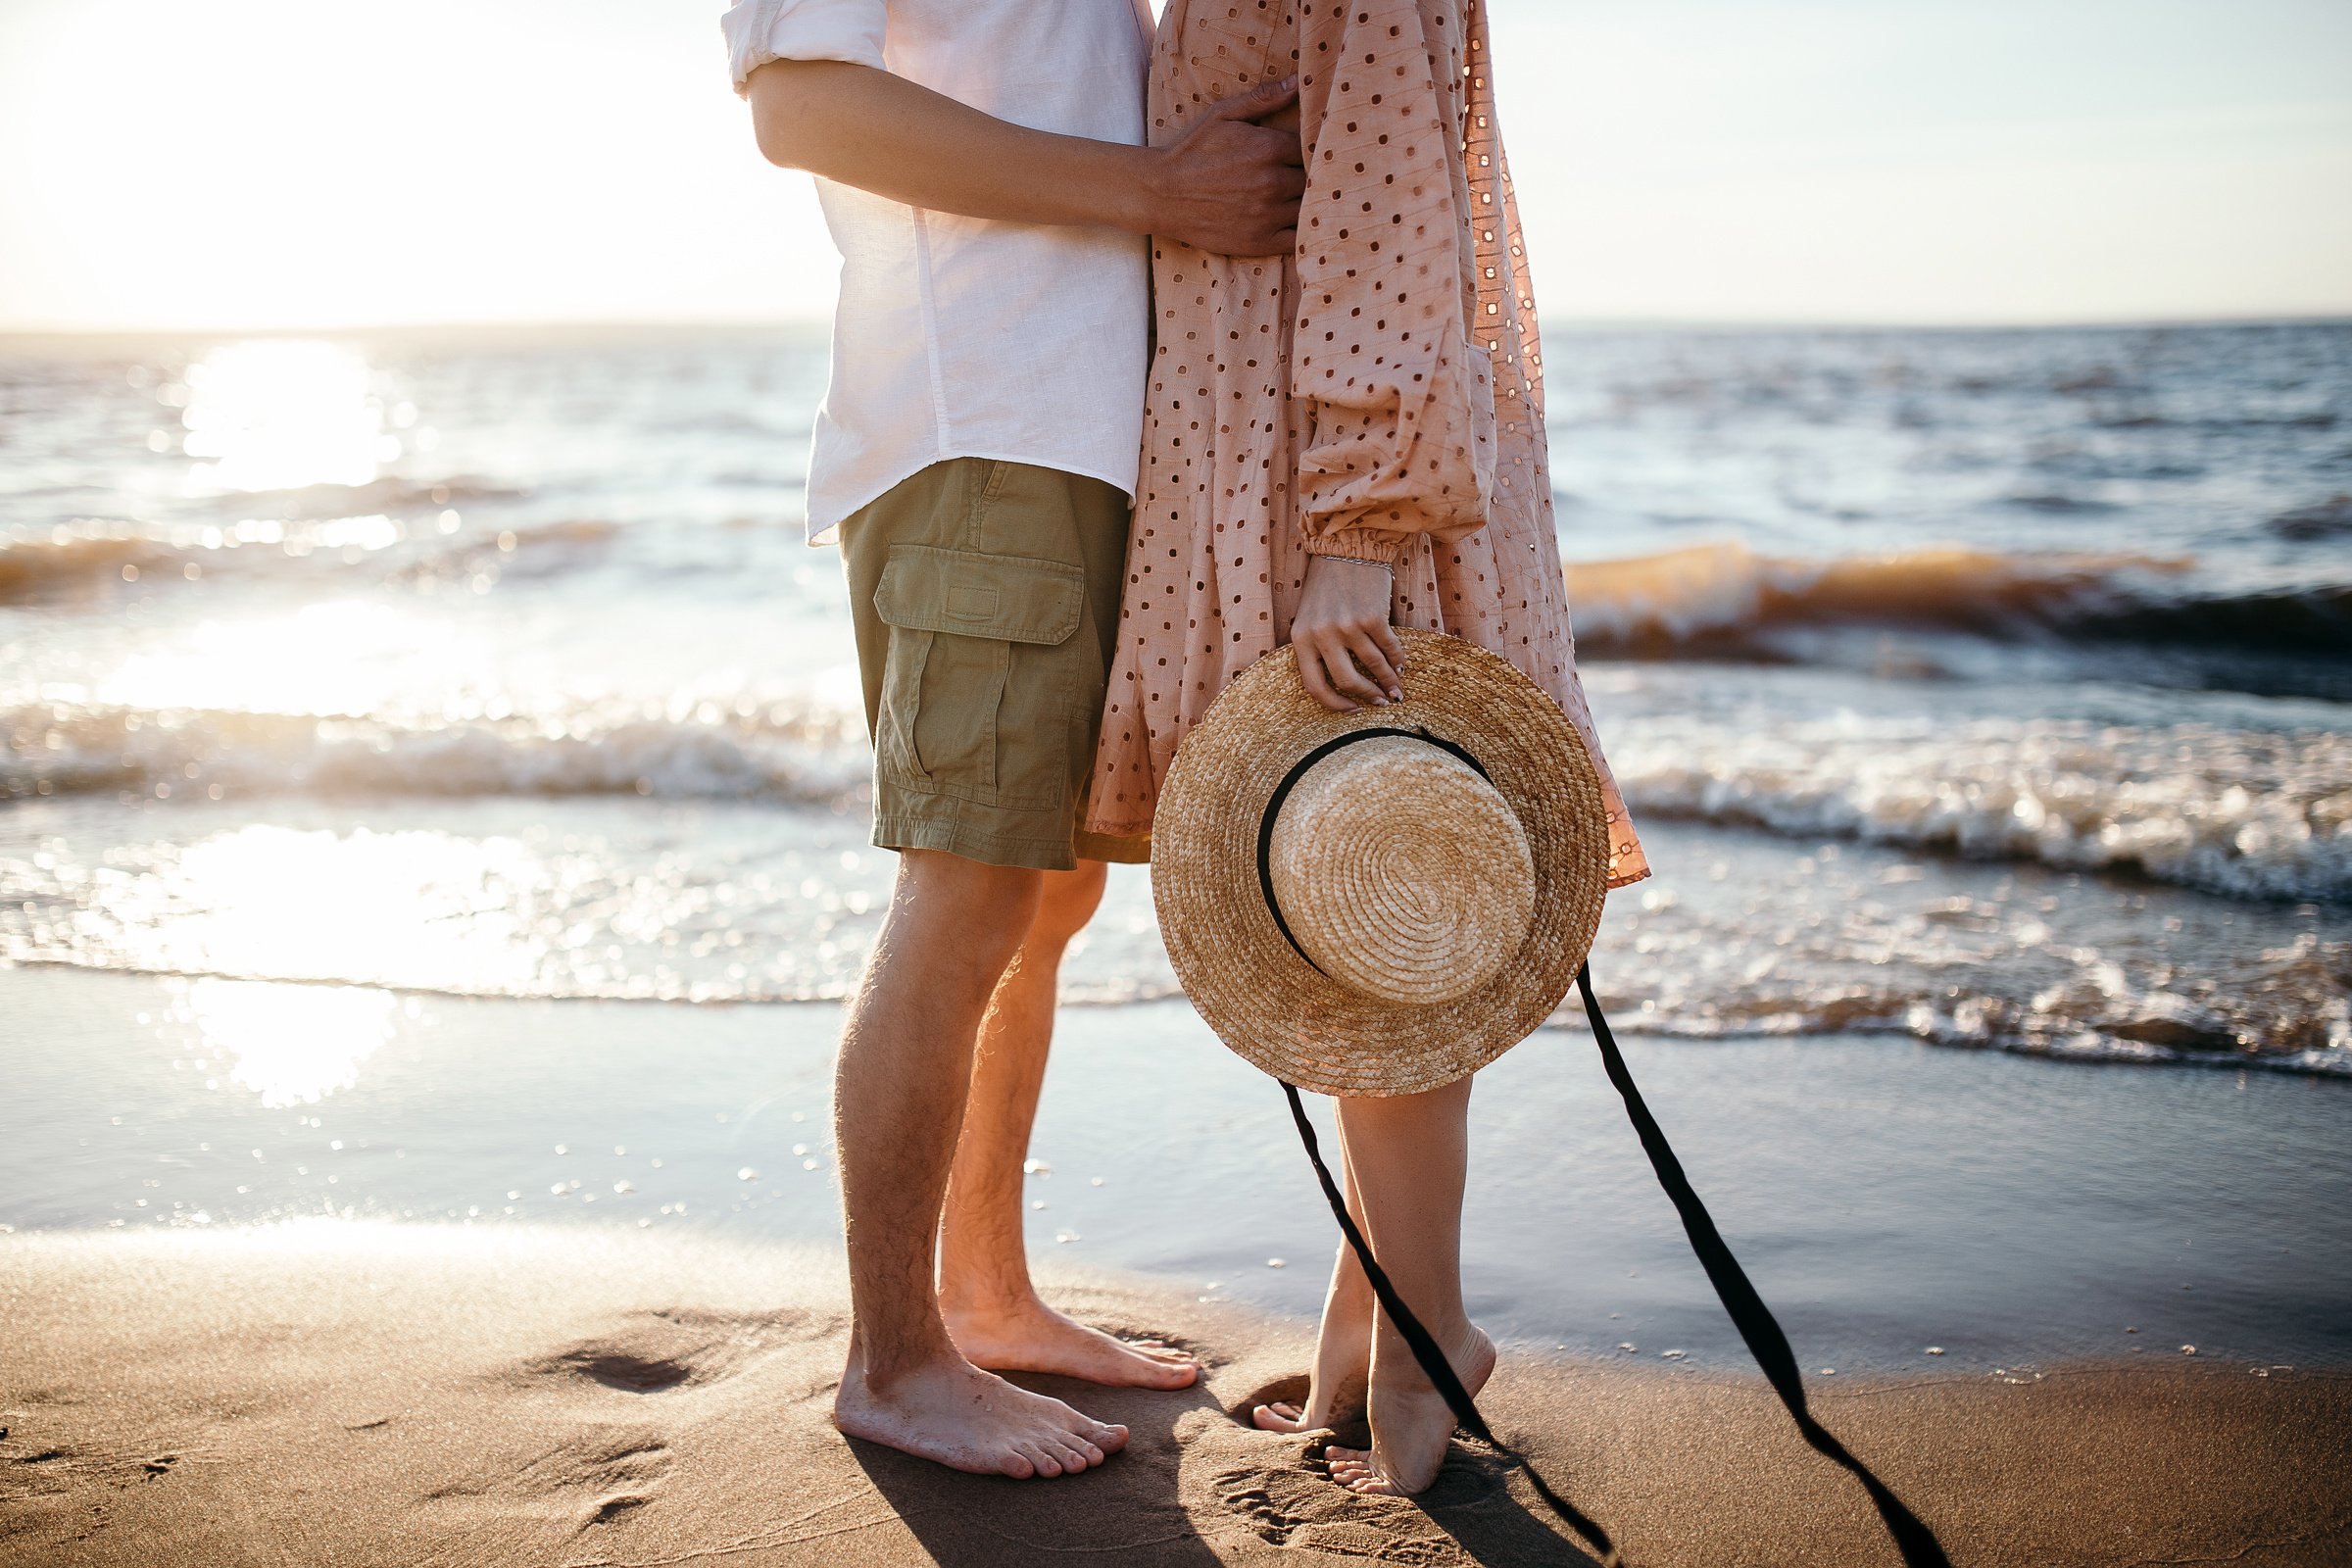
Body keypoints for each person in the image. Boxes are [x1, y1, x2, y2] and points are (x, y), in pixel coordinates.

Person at [721, 0, 1305, 1480]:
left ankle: (983, 1295)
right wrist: (1158, 189)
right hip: (985, 431)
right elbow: (800, 106)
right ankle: (895, 1363)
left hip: (1085, 439)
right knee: (969, 880)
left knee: (1043, 892)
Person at [1081, 0, 1651, 1495]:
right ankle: (1371, 1311)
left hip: (1327, 481)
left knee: (1390, 885)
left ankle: (1427, 1334)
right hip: (1281, 449)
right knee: (1348, 899)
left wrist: (1358, 533)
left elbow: (1395, 216)